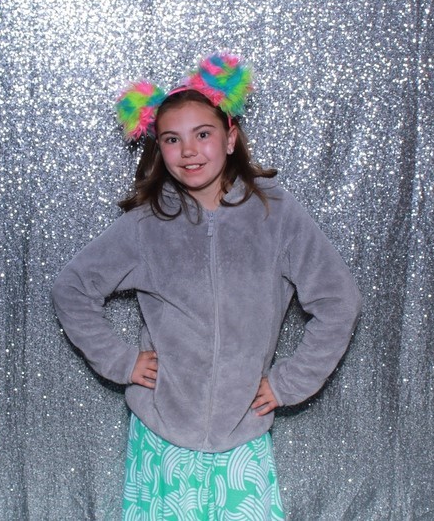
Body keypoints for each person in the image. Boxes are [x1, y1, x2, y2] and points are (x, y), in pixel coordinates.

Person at [52, 52, 361, 520]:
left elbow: (339, 301)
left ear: (230, 137)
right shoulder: (147, 225)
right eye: (172, 139)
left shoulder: (275, 213)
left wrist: (288, 383)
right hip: (162, 436)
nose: (189, 151)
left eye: (202, 134)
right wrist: (121, 360)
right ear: (159, 148)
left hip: (242, 434)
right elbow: (72, 289)